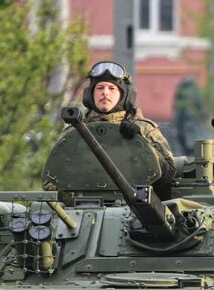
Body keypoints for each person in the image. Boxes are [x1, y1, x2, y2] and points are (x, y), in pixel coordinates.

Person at [51, 61, 175, 193]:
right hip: (81, 205)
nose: (105, 93)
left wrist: (141, 144)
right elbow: (51, 179)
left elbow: (168, 174)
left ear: (124, 95)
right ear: (90, 94)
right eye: (100, 88)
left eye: (112, 88)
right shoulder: (75, 132)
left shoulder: (145, 129)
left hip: (135, 206)